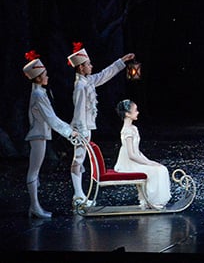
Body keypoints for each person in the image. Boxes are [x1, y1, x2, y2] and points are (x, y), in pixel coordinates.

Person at [68, 42, 136, 207]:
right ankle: (78, 195)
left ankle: (79, 195)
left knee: (80, 160)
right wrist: (80, 131)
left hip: (87, 127)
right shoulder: (80, 86)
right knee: (78, 160)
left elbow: (104, 75)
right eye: (88, 64)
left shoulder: (88, 81)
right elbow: (78, 110)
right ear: (81, 68)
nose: (91, 66)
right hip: (82, 128)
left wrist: (122, 61)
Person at [23, 51, 79, 218]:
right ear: (38, 77)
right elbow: (51, 118)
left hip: (41, 135)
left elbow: (51, 118)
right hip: (38, 135)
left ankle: (34, 206)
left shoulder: (40, 92)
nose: (47, 77)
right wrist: (69, 132)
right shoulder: (38, 94)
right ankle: (35, 207)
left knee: (35, 171)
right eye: (45, 74)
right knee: (34, 171)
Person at [114, 99, 171, 209]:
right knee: (157, 170)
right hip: (128, 163)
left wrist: (149, 161)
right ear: (127, 114)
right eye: (135, 110)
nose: (137, 112)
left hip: (136, 159)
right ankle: (151, 201)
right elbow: (131, 155)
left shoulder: (133, 128)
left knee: (161, 168)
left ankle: (151, 201)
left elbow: (137, 151)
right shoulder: (127, 131)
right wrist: (148, 163)